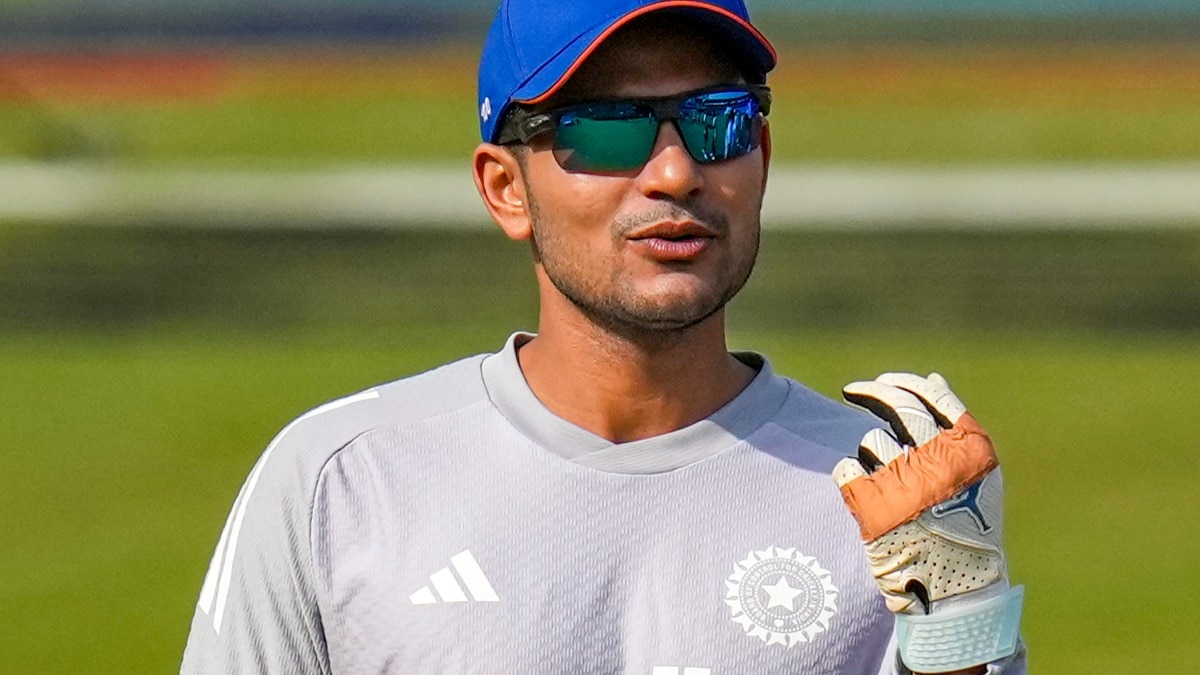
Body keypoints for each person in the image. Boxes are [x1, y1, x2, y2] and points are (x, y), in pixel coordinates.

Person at [182, 1, 1025, 673]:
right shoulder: (342, 481)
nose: (676, 172)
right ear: (506, 188)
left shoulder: (893, 499)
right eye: (608, 127)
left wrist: (961, 638)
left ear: (761, 156)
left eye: (718, 121)